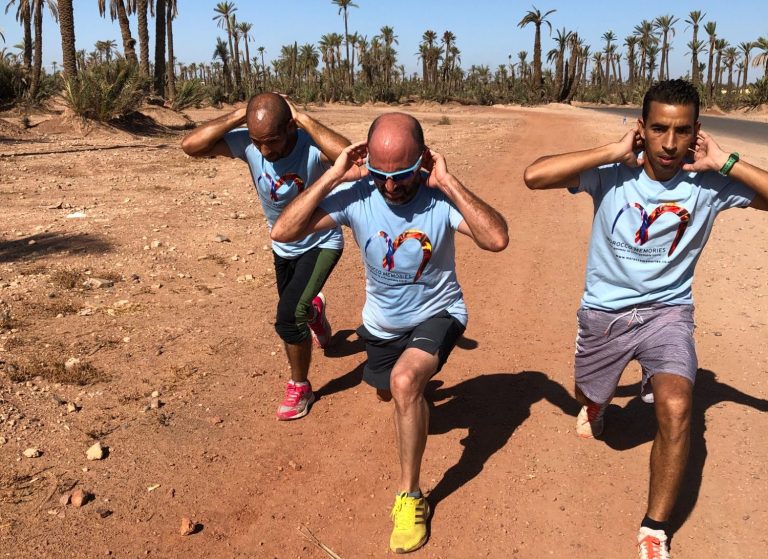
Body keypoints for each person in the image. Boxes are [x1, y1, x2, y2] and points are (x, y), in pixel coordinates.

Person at [524, 79, 768, 559]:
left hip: (668, 313)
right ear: (642, 128)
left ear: (697, 131)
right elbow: (534, 176)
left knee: (677, 407)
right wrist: (611, 150)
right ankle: (595, 405)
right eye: (658, 129)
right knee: (587, 393)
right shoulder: (612, 173)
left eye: (681, 131)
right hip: (604, 313)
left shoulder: (710, 183)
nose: (670, 144)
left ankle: (654, 528)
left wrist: (727, 162)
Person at [271, 112, 508, 553]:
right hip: (380, 326)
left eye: (402, 175)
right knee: (389, 391)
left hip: (439, 312)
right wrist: (336, 174)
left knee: (404, 383)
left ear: (423, 160)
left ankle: (409, 497)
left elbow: (496, 239)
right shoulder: (357, 193)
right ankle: (412, 388)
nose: (392, 187)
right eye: (382, 175)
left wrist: (449, 181)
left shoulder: (439, 199)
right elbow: (283, 230)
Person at [181, 93, 350, 421]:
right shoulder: (249, 143)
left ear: (290, 127)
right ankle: (315, 311)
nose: (264, 152)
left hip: (321, 242)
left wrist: (305, 119)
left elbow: (353, 159)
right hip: (283, 246)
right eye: (258, 142)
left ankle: (300, 386)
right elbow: (191, 146)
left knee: (288, 317)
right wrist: (236, 117)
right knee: (299, 307)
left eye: (271, 141)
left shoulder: (311, 145)